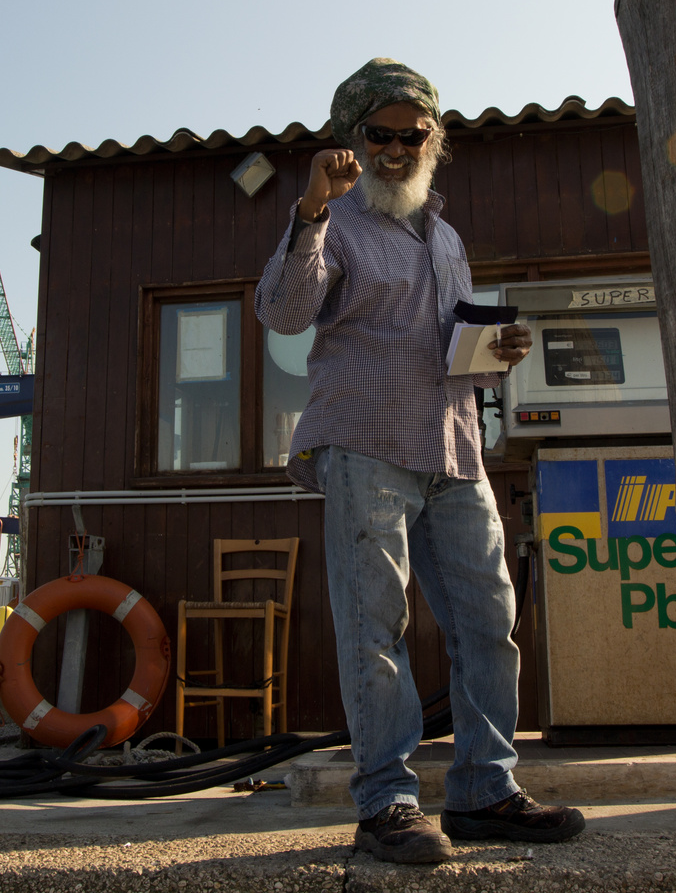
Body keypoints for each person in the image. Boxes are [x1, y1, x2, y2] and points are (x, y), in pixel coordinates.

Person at [256, 59, 585, 864]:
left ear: (435, 139)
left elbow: (449, 354)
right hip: (366, 444)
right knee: (377, 628)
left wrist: (494, 353)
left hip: (454, 447)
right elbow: (283, 311)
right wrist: (309, 209)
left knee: (488, 624)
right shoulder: (333, 223)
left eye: (415, 134)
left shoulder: (446, 237)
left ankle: (484, 791)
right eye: (382, 134)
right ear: (351, 139)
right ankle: (387, 806)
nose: (399, 148)